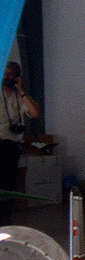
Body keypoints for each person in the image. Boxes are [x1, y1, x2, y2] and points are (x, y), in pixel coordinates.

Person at [0, 62, 40, 225]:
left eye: (13, 75)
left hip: (10, 146)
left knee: (8, 185)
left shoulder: (19, 96)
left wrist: (22, 91)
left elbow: (35, 113)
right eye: (6, 74)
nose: (9, 77)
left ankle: (4, 220)